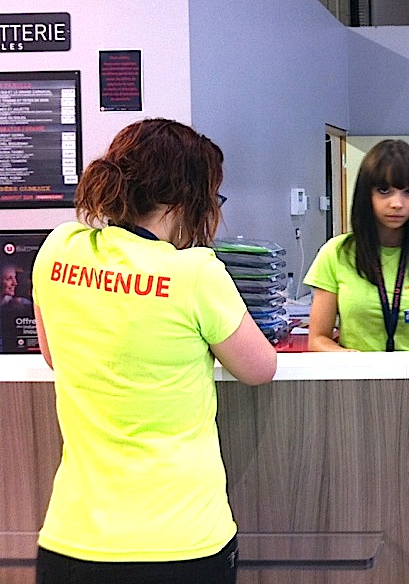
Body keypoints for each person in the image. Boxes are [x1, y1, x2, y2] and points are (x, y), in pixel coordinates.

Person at [31, 118, 277, 583]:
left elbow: (53, 353)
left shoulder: (59, 249)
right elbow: (260, 368)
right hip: (182, 540)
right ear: (183, 201)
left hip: (74, 539)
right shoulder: (195, 273)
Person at [305, 139, 409, 351]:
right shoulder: (336, 252)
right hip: (358, 371)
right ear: (366, 194)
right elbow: (318, 338)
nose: (397, 203)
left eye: (408, 192)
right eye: (384, 191)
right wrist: (352, 360)